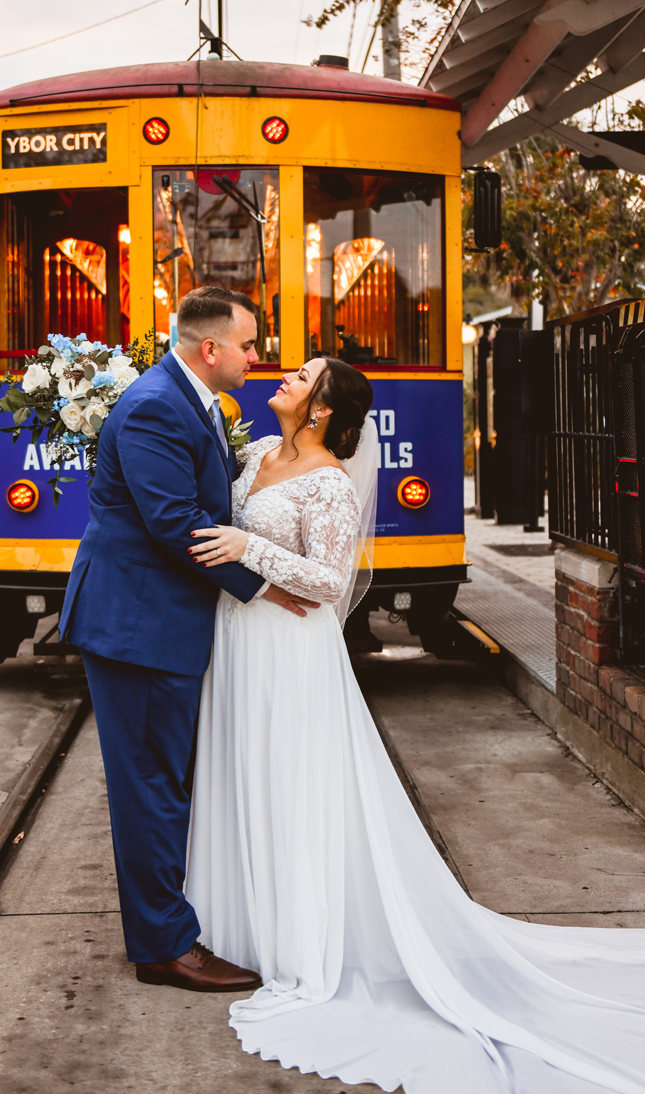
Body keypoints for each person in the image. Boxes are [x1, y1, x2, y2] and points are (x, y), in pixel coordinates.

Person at [186, 355, 645, 1092]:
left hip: (289, 652)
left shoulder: (330, 482)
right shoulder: (253, 454)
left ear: (323, 410)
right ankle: (238, 924)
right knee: (244, 771)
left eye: (301, 379)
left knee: (291, 779)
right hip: (239, 639)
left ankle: (298, 935)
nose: (284, 379)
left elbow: (331, 582)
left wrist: (249, 547)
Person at [58, 286, 317, 992]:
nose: (259, 358)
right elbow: (179, 524)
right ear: (212, 350)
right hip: (138, 627)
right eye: (250, 345)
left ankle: (170, 928)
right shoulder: (152, 409)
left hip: (157, 623)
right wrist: (266, 586)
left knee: (164, 782)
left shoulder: (189, 401)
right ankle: (164, 948)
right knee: (150, 789)